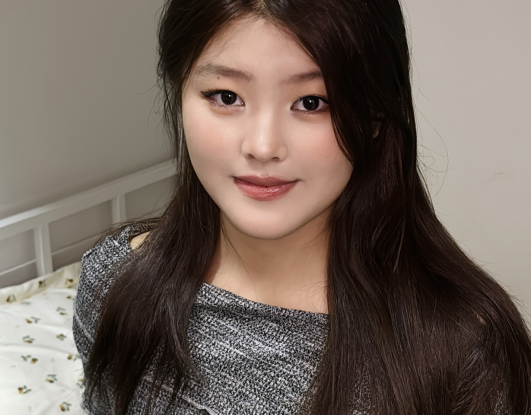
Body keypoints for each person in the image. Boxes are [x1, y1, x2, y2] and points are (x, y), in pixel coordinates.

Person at [72, 0, 531, 414]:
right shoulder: (114, 282)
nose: (263, 146)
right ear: (179, 92)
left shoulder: (467, 353)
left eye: (312, 103)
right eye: (226, 97)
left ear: (375, 116)